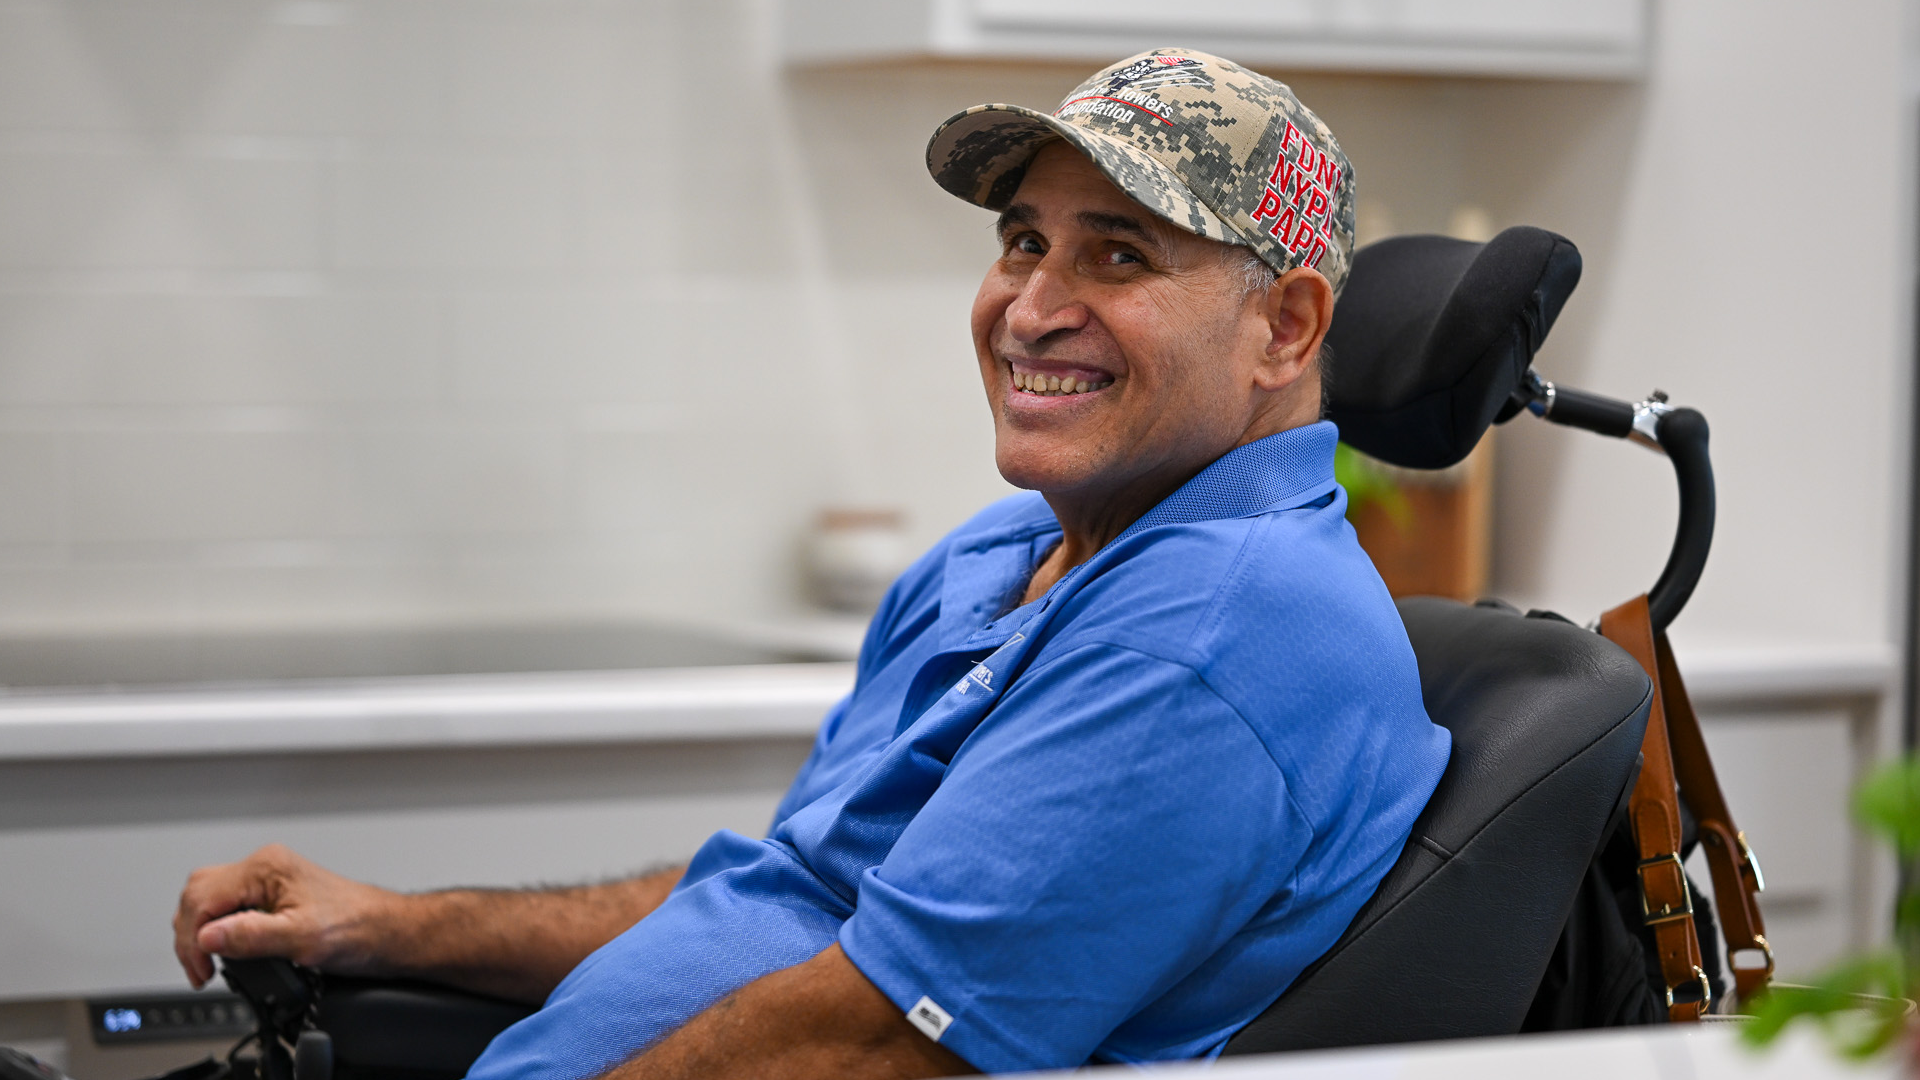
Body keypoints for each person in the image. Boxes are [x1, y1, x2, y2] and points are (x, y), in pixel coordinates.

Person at [172, 48, 1449, 1079]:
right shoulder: (1014, 552)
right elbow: (789, 895)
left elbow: (873, 1041)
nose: (1030, 307)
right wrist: (395, 925)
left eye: (1120, 254)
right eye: (1024, 241)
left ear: (1285, 328)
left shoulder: (1214, 631)